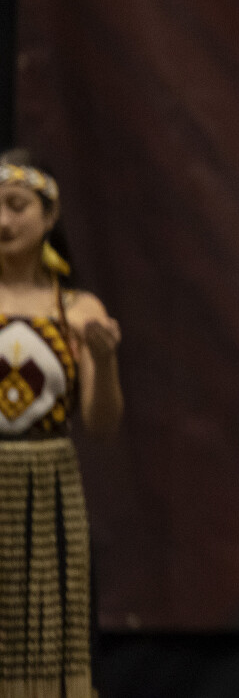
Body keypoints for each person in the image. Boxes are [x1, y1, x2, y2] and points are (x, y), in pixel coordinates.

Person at [0, 151, 123, 698]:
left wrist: (104, 360)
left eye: (16, 205)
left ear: (49, 216)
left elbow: (100, 423)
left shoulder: (78, 308)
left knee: (47, 640)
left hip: (48, 487)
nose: (3, 220)